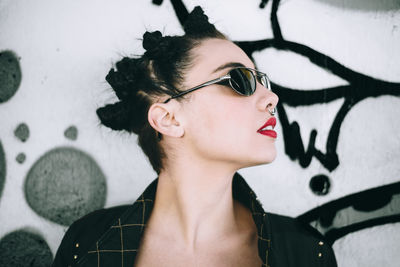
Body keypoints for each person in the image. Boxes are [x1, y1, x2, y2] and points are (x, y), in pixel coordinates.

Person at [52, 6, 337, 267]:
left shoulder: (306, 253)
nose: (271, 97)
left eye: (262, 81)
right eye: (239, 80)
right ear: (169, 119)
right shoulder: (87, 243)